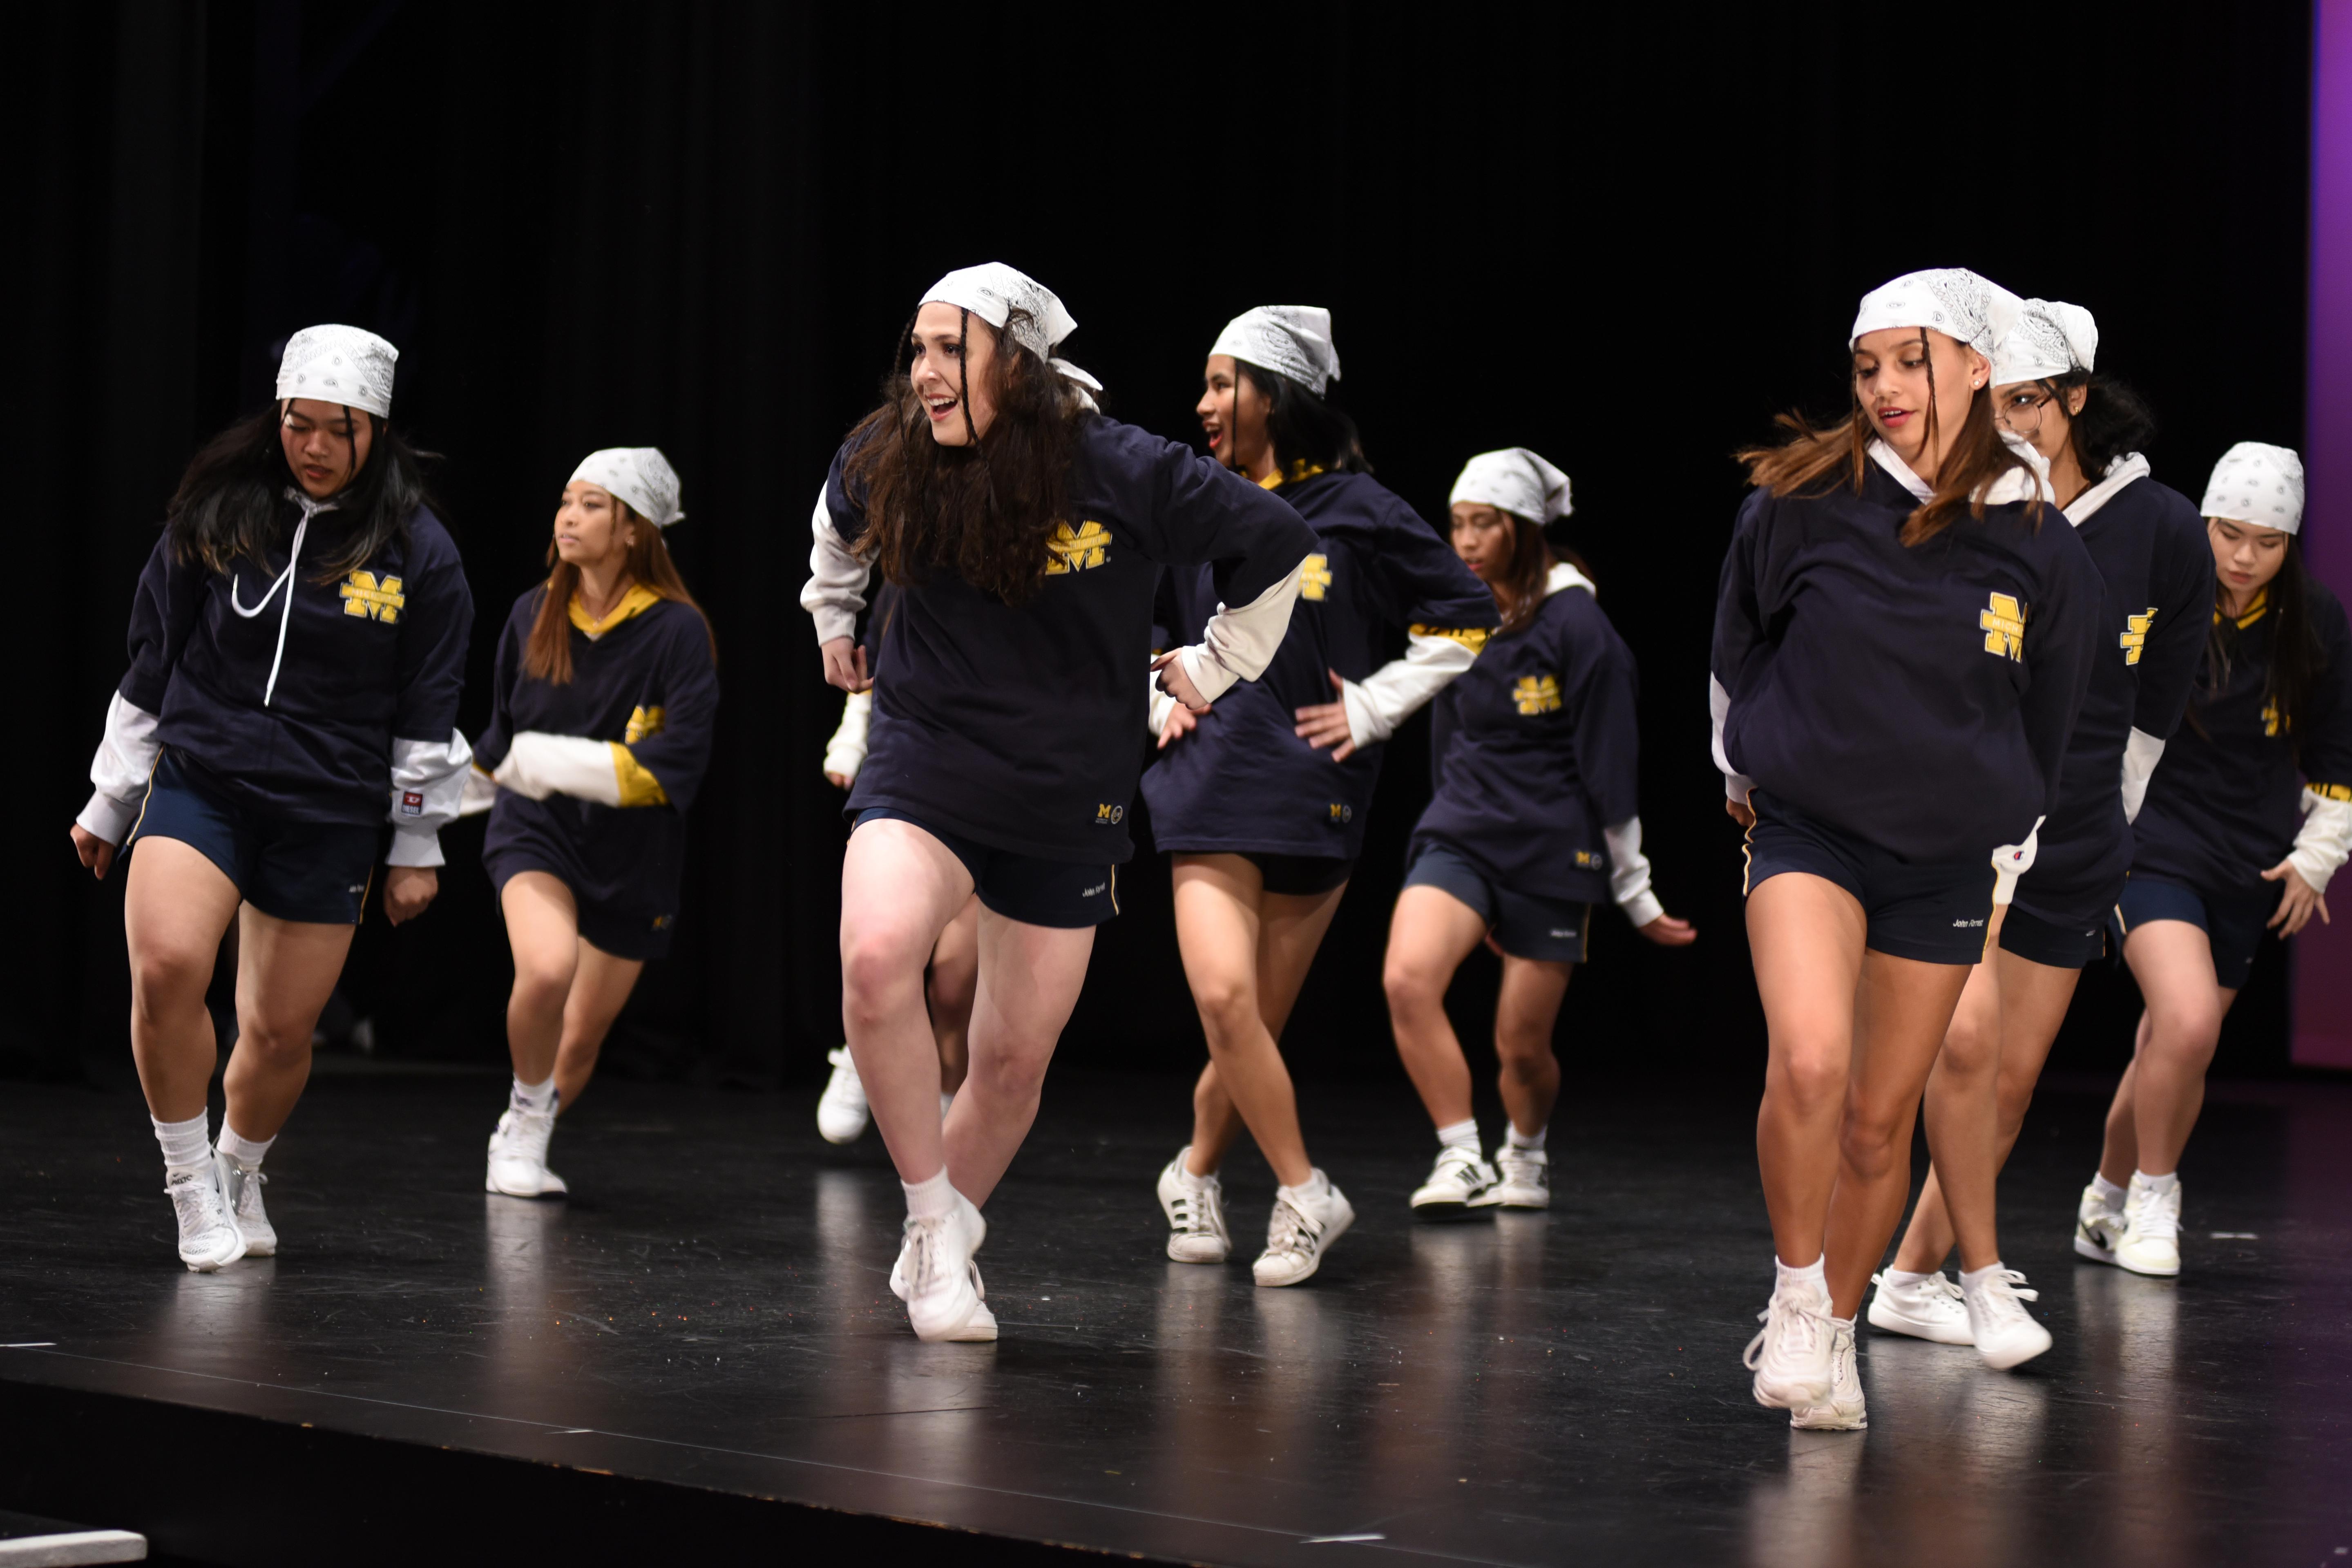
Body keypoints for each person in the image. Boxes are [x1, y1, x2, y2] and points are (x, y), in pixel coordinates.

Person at [800, 263, 1317, 1342]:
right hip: (926, 756)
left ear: (1020, 361)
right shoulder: (894, 449)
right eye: (918, 349)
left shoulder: (1119, 464)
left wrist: (1213, 664)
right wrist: (835, 613)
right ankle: (932, 1224)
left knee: (1009, 1060)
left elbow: (1275, 542)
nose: (926, 372)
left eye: (952, 349)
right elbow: (835, 522)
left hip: (1065, 792)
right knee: (875, 956)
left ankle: (940, 1237)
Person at [1713, 269, 2102, 1428]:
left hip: (1943, 860)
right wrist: (1740, 770)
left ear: (1978, 368)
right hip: (1808, 827)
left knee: (1879, 1120)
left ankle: (1837, 1327)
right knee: (1809, 1061)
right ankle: (1794, 1296)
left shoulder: (2036, 539)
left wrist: (2011, 829)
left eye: (1908, 360)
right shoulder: (1801, 500)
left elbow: (2053, 709)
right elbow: (1736, 642)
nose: (1882, 386)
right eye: (1865, 364)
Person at [69, 325, 474, 1270]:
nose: (315, 446)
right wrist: (110, 798)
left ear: (376, 430)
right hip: (204, 779)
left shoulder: (421, 550)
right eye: (300, 424)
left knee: (281, 1030)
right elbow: (151, 660)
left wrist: (415, 846)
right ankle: (188, 1182)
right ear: (276, 418)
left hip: (329, 809)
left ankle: (240, 1165)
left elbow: (430, 707)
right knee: (166, 965)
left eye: (339, 428)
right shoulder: (219, 510)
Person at [1870, 301, 2210, 1353]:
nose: (2009, 423)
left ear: (2074, 398)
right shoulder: (1962, 505)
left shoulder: (2161, 525)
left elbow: (2158, 696)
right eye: (1994, 402)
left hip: (2077, 829)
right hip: (1960, 823)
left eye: (2027, 401)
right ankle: (1840, 1287)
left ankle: (1910, 1276)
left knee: (2008, 1080)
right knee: (1943, 1056)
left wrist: (2115, 813)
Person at [1143, 306, 1497, 1285]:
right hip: (1210, 775)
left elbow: (1468, 615)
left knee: (1248, 1023)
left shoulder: (1356, 508)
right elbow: (1141, 621)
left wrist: (1375, 705)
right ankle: (1304, 1190)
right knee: (1224, 998)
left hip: (1315, 785)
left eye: (1223, 383)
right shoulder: (1195, 500)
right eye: (1205, 383)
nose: (1203, 403)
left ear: (1275, 396)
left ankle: (1192, 1171)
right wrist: (1156, 696)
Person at [1380, 449, 1693, 1218]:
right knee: (1406, 978)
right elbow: (1444, 736)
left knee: (1519, 1047)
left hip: (1553, 846)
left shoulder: (1576, 624)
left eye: (1483, 524)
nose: (1465, 540)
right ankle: (1461, 1153)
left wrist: (1635, 891)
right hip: (1462, 831)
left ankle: (1524, 1150)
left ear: (1522, 528)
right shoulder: (1457, 614)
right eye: (1457, 524)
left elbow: (1609, 762)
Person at [2082, 443, 2351, 1276]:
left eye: (2265, 541)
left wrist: (2315, 856)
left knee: (2173, 1040)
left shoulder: (2314, 619)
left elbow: (2336, 751)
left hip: (2249, 859)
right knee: (2189, 1019)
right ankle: (2155, 1197)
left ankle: (2103, 1200)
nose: (2242, 556)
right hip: (2152, 840)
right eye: (2228, 533)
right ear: (2201, 523)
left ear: (2289, 542)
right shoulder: (2163, 593)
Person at [463, 448, 719, 1198]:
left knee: (578, 1037)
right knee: (547, 969)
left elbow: (678, 763)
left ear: (634, 527)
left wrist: (550, 759)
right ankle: (523, 1119)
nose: (568, 517)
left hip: (633, 854)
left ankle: (527, 1128)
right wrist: (423, 810)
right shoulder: (531, 611)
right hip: (536, 830)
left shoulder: (678, 631)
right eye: (565, 501)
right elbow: (502, 740)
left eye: (591, 504)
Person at [815, 582, 977, 1145]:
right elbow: (874, 664)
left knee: (954, 985)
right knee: (888, 947)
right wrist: (851, 736)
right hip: (914, 778)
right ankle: (861, 1053)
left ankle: (948, 1115)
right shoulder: (913, 577)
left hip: (995, 791)